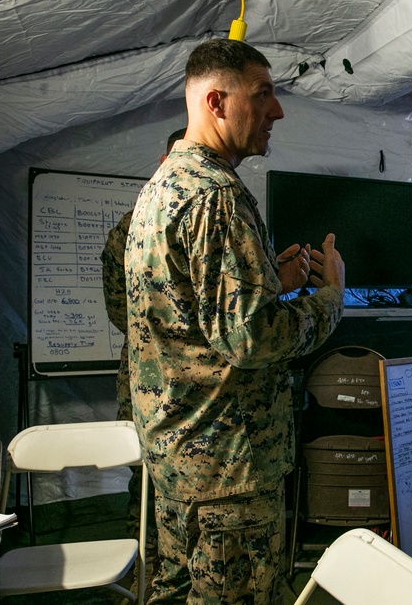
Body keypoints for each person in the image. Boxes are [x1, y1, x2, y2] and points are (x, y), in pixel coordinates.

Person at [125, 38, 346, 605]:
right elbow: (254, 339)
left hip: (179, 461)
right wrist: (329, 298)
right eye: (264, 94)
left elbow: (192, 318)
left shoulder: (163, 189)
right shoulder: (218, 198)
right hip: (230, 473)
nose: (277, 111)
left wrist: (269, 282)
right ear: (217, 102)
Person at [100, 126, 185, 596]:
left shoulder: (128, 228)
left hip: (143, 382)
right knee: (154, 493)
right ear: (163, 162)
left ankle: (148, 579)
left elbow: (121, 314)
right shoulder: (210, 221)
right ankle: (151, 576)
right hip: (173, 393)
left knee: (150, 494)